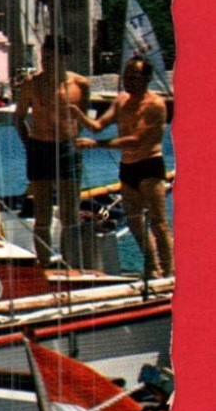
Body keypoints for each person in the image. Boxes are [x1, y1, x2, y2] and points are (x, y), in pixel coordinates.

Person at [75, 55, 173, 278]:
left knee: (158, 223)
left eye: (135, 77)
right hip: (128, 167)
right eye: (127, 76)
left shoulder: (155, 105)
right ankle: (151, 264)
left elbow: (136, 139)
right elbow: (98, 126)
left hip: (149, 165)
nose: (129, 81)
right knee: (134, 220)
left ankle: (168, 270)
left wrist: (96, 145)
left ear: (146, 78)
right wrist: (78, 114)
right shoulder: (121, 101)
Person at [14, 34, 91, 268]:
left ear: (64, 58)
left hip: (67, 148)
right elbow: (18, 118)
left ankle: (70, 264)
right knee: (42, 214)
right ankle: (44, 264)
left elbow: (83, 117)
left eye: (51, 58)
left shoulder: (80, 85)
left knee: (69, 215)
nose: (46, 62)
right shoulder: (32, 83)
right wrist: (28, 143)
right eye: (44, 57)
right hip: (39, 147)